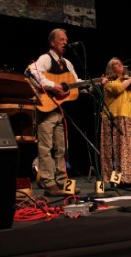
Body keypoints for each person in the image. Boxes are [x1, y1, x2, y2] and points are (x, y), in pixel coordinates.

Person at [26, 28, 86, 197]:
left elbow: (75, 82)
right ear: (52, 42)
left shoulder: (67, 63)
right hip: (46, 108)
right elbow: (32, 72)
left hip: (59, 110)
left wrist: (93, 83)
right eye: (61, 39)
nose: (65, 42)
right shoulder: (45, 58)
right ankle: (49, 183)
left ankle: (61, 181)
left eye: (66, 39)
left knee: (62, 148)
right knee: (45, 147)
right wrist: (53, 86)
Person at [100, 57, 131, 188]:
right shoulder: (109, 81)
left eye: (121, 64)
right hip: (113, 118)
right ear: (111, 69)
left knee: (129, 149)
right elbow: (118, 89)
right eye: (117, 64)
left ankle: (130, 177)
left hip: (128, 118)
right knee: (115, 149)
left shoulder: (128, 82)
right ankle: (114, 178)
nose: (121, 66)